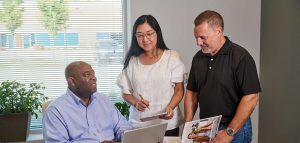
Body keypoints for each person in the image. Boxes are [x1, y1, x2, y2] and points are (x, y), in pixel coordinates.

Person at [184, 10, 261, 143]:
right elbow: (192, 93)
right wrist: (188, 127)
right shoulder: (198, 58)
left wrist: (229, 132)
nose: (198, 42)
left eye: (203, 37)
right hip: (206, 128)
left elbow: (251, 97)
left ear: (218, 31)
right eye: (196, 37)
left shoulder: (241, 57)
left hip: (235, 129)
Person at [117, 15, 185, 136]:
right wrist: (136, 103)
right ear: (135, 37)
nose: (145, 39)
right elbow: (125, 93)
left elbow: (179, 90)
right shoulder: (132, 61)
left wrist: (171, 107)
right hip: (139, 125)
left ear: (157, 33)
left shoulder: (172, 57)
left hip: (167, 124)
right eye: (140, 35)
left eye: (149, 34)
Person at [43, 61, 132, 143]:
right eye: (87, 75)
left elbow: (122, 126)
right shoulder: (55, 110)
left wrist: (125, 137)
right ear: (72, 81)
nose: (93, 78)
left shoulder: (103, 100)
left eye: (93, 74)